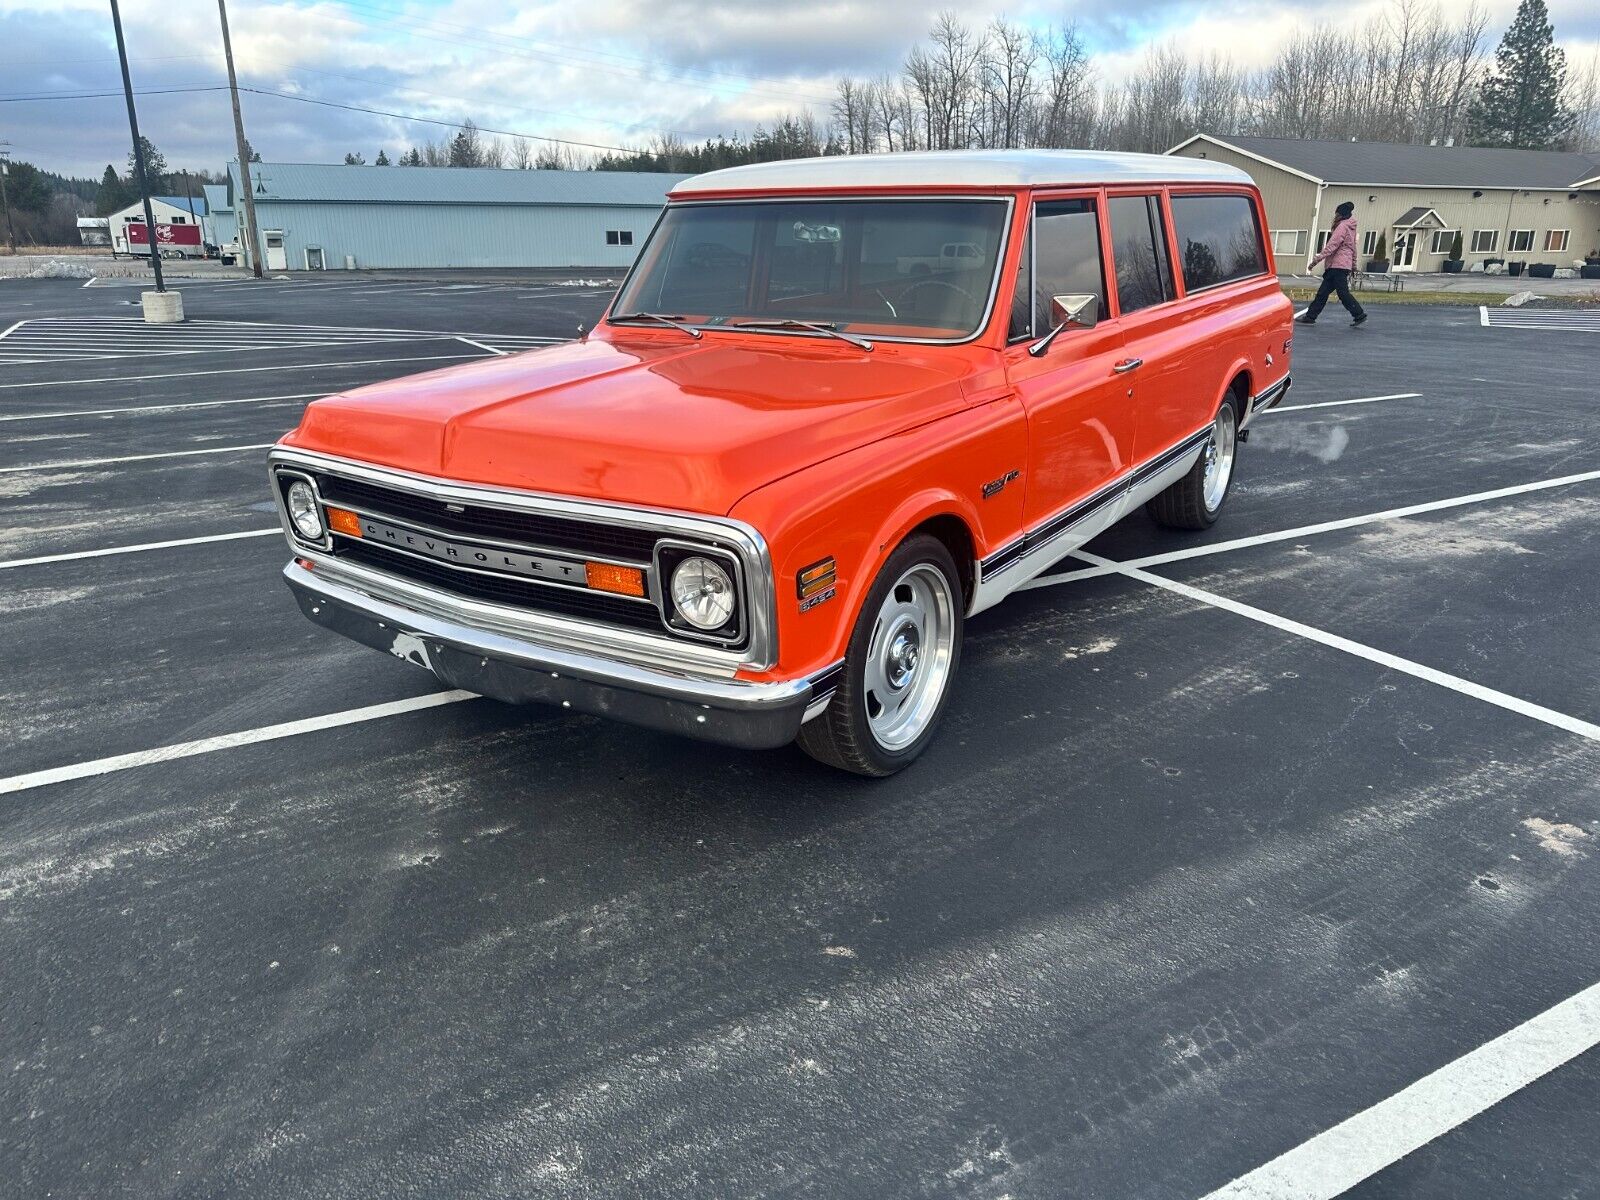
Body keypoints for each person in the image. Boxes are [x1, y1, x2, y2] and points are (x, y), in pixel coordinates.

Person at [1297, 201, 1367, 327]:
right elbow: (1353, 249)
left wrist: (1315, 261)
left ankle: (1359, 314)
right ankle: (1310, 316)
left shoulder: (1342, 227)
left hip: (1337, 266)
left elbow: (1332, 246)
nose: (1335, 216)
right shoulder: (1351, 228)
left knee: (1342, 293)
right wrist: (1353, 265)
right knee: (1323, 293)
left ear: (1341, 214)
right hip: (1340, 266)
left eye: (1337, 213)